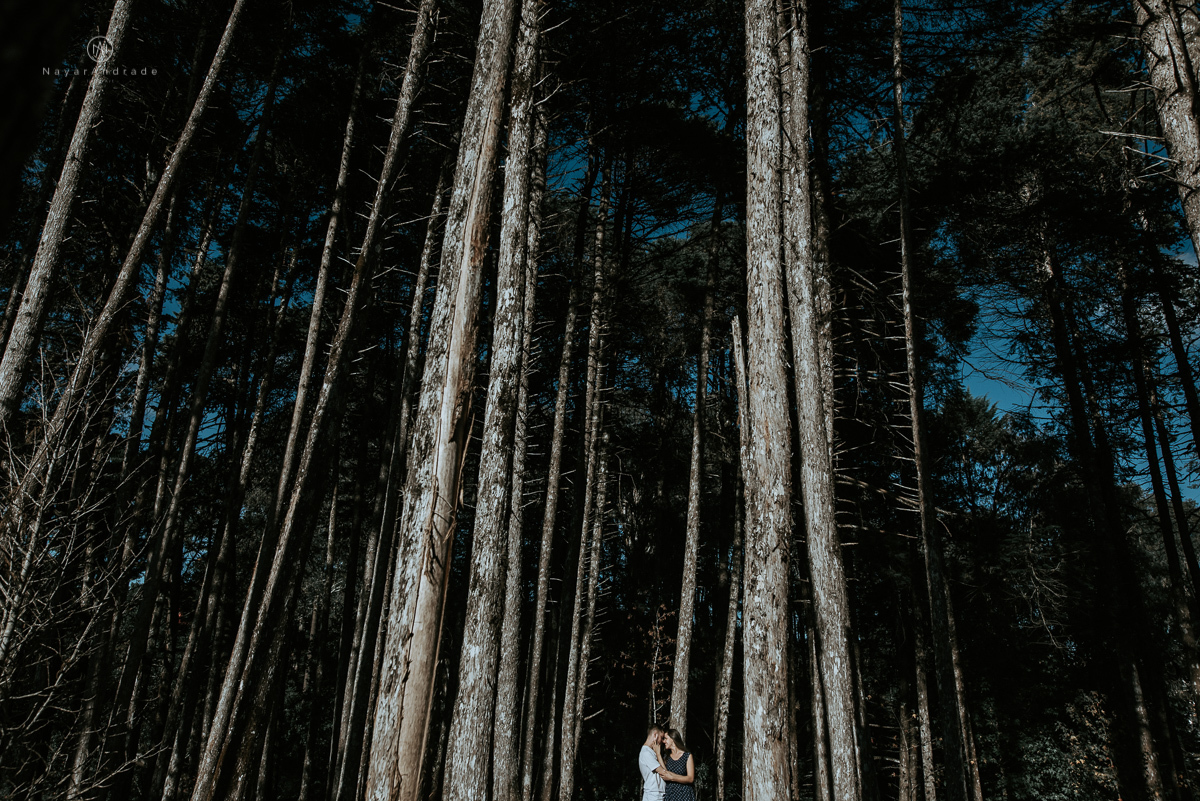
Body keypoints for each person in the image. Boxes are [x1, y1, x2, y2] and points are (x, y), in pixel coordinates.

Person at [654, 727, 695, 801]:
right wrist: (658, 754)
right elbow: (665, 773)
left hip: (684, 794)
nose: (664, 741)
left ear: (672, 739)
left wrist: (672, 778)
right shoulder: (667, 757)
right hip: (671, 794)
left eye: (665, 738)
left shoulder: (687, 756)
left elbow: (690, 778)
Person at [639, 722, 668, 801]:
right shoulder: (646, 753)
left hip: (658, 794)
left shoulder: (651, 752)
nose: (662, 741)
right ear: (655, 735)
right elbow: (664, 773)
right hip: (653, 794)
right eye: (661, 738)